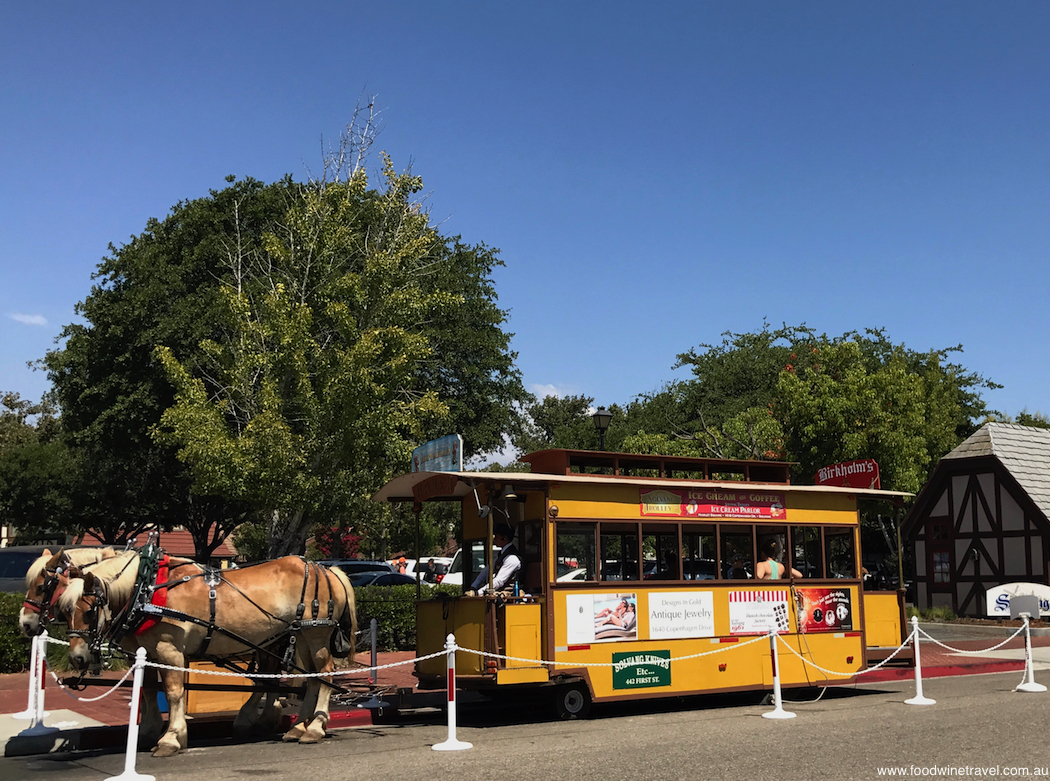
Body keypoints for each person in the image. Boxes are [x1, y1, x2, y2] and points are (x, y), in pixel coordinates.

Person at [465, 523, 521, 596]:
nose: (494, 540)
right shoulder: (501, 556)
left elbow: (499, 580)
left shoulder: (512, 558)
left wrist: (478, 593)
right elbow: (487, 570)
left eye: (496, 537)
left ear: (504, 538)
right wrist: (474, 587)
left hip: (509, 595)